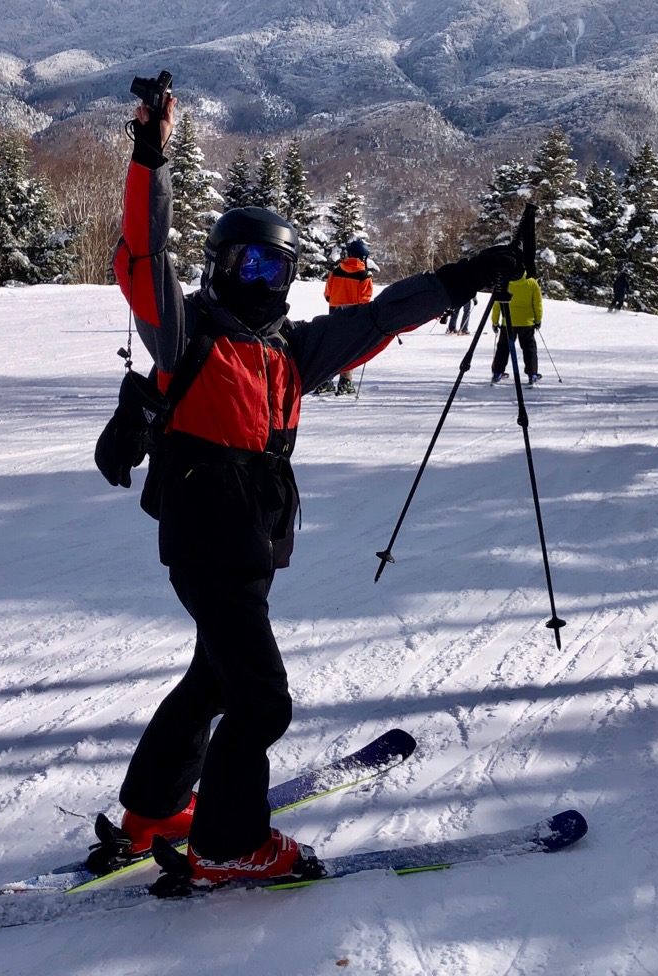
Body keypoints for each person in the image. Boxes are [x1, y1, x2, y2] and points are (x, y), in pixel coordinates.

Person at [98, 88, 517, 888]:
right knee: (262, 702)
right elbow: (145, 257)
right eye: (246, 262)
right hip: (206, 535)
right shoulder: (187, 334)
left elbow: (385, 315)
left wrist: (469, 274)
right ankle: (227, 844)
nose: (259, 278)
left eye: (276, 266)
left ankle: (153, 808)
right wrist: (149, 156)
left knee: (215, 678)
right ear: (221, 266)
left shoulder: (290, 350)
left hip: (250, 538)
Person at [315, 238, 374, 395]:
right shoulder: (364, 275)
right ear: (363, 257)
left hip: (334, 314)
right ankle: (345, 382)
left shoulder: (336, 271)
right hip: (354, 315)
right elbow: (365, 301)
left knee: (331, 347)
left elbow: (327, 294)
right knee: (349, 349)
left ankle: (324, 380)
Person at [491, 270, 542, 386]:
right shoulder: (532, 283)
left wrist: (495, 321)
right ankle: (532, 374)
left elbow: (497, 304)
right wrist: (538, 319)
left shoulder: (505, 283)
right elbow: (537, 303)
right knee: (529, 348)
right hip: (527, 322)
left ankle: (498, 372)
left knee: (503, 348)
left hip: (508, 322)